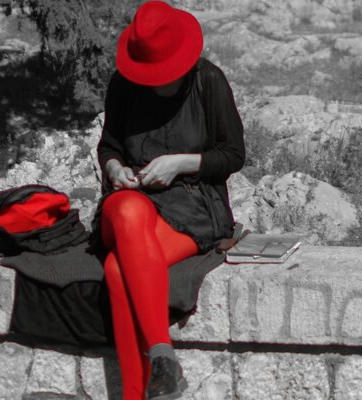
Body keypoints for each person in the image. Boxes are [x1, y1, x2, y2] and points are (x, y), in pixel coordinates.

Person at [91, 1, 244, 399]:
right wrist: (114, 170)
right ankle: (164, 355)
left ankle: (136, 393)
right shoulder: (122, 85)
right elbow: (108, 146)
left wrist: (181, 163)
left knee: (117, 269)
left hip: (194, 208)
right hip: (133, 204)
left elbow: (233, 155)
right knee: (125, 208)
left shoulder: (209, 81)